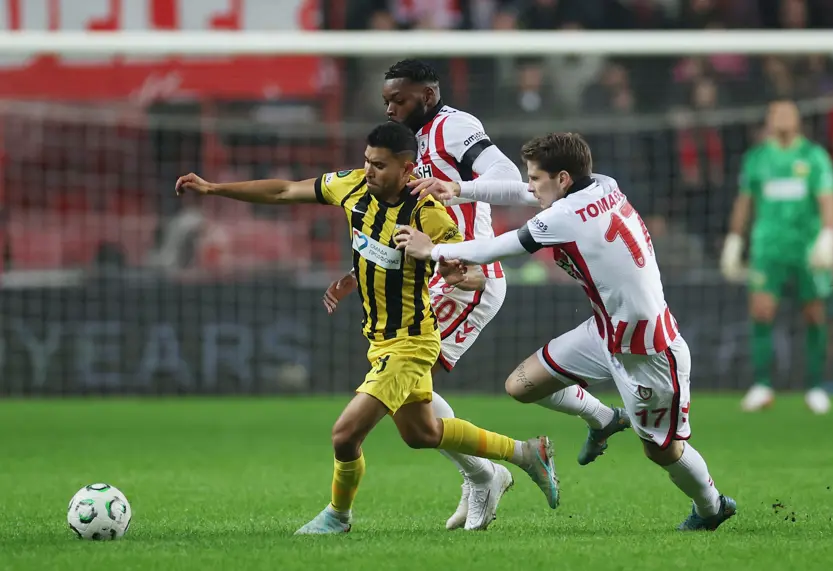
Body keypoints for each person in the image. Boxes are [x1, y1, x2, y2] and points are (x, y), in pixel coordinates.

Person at [174, 122, 560, 535]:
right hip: (378, 340)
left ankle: (337, 517)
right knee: (422, 432)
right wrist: (214, 188)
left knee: (344, 435)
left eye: (379, 165)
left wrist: (452, 269)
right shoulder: (352, 186)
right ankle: (525, 454)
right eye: (367, 161)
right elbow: (285, 190)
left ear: (407, 169)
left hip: (411, 342)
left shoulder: (427, 212)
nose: (369, 171)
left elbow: (475, 274)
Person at [397, 132, 737, 531]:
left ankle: (712, 507)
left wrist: (434, 250)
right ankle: (603, 418)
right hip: (604, 330)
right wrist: (459, 189)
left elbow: (501, 246)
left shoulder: (563, 216)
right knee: (521, 385)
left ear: (562, 179)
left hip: (647, 349)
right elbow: (523, 193)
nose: (529, 186)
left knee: (662, 451)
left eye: (535, 178)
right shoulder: (602, 184)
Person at [321, 60, 603, 531]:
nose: (390, 109)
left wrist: (458, 188)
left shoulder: (454, 127)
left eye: (399, 100)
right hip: (434, 273)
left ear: (428, 95)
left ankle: (487, 473)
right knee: (410, 398)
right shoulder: (408, 144)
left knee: (405, 387)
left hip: (467, 276)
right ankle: (491, 470)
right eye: (386, 101)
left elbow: (513, 180)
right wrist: (362, 267)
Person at [721, 100, 833, 414]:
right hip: (768, 247)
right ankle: (762, 385)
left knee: (814, 313)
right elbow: (744, 201)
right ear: (769, 120)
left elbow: (828, 199)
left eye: (788, 113)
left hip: (806, 248)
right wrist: (734, 239)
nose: (783, 118)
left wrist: (828, 236)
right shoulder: (757, 158)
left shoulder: (813, 156)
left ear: (798, 120)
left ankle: (815, 387)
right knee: (761, 311)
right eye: (777, 113)